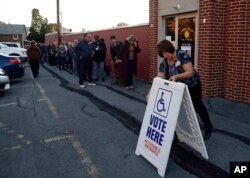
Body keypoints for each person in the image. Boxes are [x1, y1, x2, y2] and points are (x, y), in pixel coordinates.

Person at [155, 39, 213, 139]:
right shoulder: (164, 63)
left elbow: (190, 72)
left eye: (165, 53)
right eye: (162, 54)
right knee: (174, 109)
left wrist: (177, 76)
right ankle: (178, 132)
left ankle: (208, 127)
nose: (164, 56)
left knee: (198, 106)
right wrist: (152, 92)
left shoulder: (182, 55)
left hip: (192, 85)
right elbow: (159, 79)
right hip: (177, 89)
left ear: (169, 48)